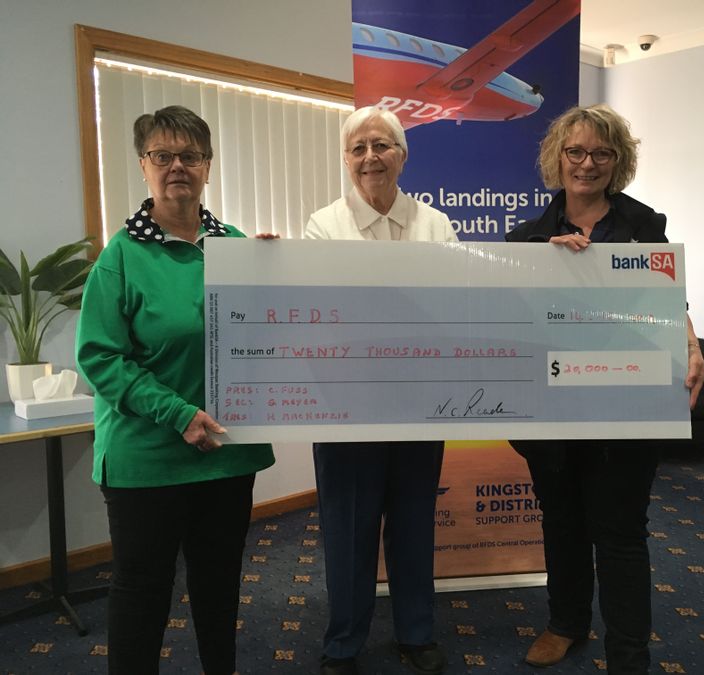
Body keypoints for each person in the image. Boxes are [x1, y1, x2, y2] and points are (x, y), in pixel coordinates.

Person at [505, 104, 704, 674]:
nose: (587, 164)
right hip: (551, 408)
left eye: (601, 153)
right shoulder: (526, 238)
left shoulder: (644, 226)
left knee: (620, 532)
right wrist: (545, 272)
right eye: (575, 151)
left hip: (628, 408)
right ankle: (566, 624)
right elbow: (509, 321)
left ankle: (628, 653)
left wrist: (692, 344)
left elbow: (668, 302)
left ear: (618, 161)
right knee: (562, 522)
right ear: (557, 157)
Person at [76, 105, 275, 675]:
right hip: (148, 460)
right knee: (142, 593)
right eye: (162, 155)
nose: (177, 166)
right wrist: (177, 412)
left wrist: (278, 274)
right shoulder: (121, 256)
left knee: (219, 587)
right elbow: (99, 357)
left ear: (208, 165)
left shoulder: (235, 245)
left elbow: (264, 335)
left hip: (225, 455)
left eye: (190, 155)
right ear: (144, 166)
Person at [303, 106, 457, 675]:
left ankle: (416, 633)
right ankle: (344, 642)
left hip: (421, 404)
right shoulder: (323, 227)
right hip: (347, 407)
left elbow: (452, 310)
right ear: (346, 160)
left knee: (414, 523)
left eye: (382, 145)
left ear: (403, 155)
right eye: (358, 147)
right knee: (348, 529)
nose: (370, 156)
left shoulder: (437, 227)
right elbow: (324, 312)